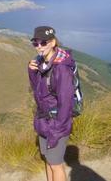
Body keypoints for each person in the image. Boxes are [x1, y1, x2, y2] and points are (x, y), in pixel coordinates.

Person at [28, 26, 75, 181]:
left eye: (44, 42)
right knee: (48, 161)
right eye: (36, 43)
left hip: (56, 124)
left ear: (53, 42)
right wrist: (31, 71)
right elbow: (37, 91)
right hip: (44, 120)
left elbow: (66, 103)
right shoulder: (42, 63)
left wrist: (57, 130)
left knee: (56, 164)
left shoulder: (61, 68)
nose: (39, 46)